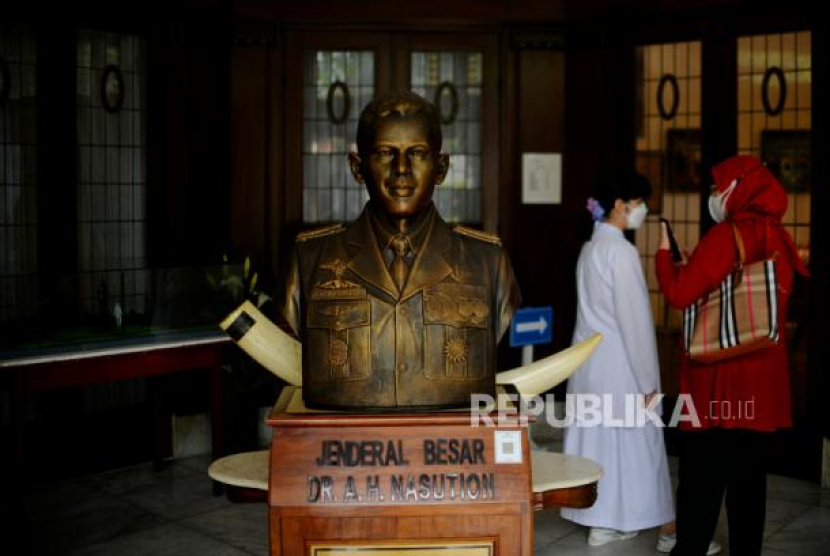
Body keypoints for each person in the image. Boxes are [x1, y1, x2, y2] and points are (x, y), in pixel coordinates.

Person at [281, 91, 520, 410]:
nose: (402, 169)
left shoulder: (488, 261)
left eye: (417, 153)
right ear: (357, 167)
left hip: (451, 445)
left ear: (441, 167)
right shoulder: (310, 259)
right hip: (346, 446)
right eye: (384, 153)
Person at [655, 155, 808, 556]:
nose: (712, 195)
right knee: (749, 484)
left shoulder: (726, 237)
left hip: (718, 384)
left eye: (716, 186)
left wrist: (663, 260)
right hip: (762, 383)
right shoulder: (779, 236)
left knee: (702, 483)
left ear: (737, 188)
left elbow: (679, 294)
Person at [560, 167, 677, 547]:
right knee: (635, 448)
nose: (643, 210)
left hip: (591, 364)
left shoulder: (590, 248)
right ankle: (657, 527)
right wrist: (648, 382)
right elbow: (636, 325)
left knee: (599, 444)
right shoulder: (621, 253)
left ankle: (601, 521)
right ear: (619, 206)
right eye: (640, 202)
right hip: (622, 367)